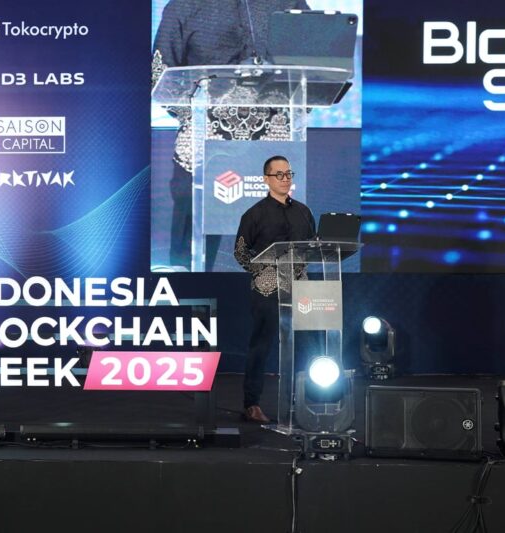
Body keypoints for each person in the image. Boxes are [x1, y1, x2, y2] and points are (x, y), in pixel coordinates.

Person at [152, 0, 311, 269]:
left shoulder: (289, 3)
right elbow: (160, 74)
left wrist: (292, 113)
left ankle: (274, 294)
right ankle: (188, 291)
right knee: (190, 256)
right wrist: (195, 117)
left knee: (277, 254)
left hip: (272, 139)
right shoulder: (184, 5)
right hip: (204, 141)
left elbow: (313, 68)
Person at [234, 155, 315, 423]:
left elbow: (312, 246)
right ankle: (252, 403)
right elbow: (241, 252)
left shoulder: (303, 212)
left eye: (288, 173)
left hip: (300, 288)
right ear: (265, 179)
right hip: (267, 290)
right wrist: (262, 271)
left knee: (306, 345)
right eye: (279, 174)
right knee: (262, 345)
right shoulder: (254, 214)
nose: (285, 179)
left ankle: (304, 400)